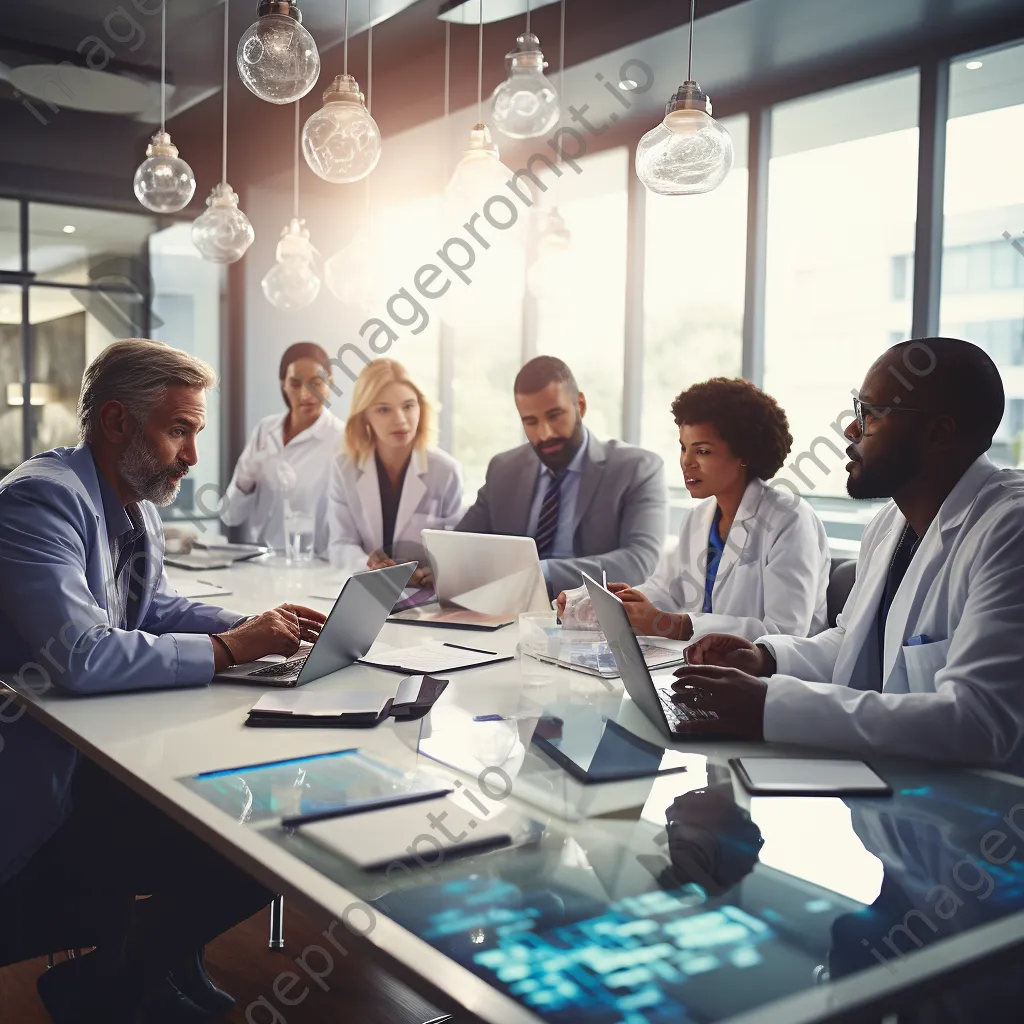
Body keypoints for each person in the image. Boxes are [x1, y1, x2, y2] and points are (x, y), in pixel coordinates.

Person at [0, 339, 327, 1022]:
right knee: (247, 836)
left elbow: (156, 608)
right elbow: (83, 655)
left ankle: (137, 972)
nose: (193, 456)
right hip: (42, 788)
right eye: (179, 430)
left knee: (253, 812)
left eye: (195, 432)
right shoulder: (37, 502)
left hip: (99, 761)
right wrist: (232, 647)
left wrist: (262, 625)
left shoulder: (133, 497)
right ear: (117, 421)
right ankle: (116, 981)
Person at [672, 338, 1024, 772]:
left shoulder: (1010, 529)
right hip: (886, 783)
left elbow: (977, 722)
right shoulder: (889, 523)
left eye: (870, 414)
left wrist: (770, 707)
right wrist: (764, 658)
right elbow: (851, 642)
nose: (851, 430)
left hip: (972, 810)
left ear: (938, 432)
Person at [556, 378, 830, 642]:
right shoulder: (698, 518)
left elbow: (786, 632)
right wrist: (609, 604)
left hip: (780, 681)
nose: (686, 462)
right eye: (683, 447)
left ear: (744, 454)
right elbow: (665, 591)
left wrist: (678, 625)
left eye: (702, 451)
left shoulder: (789, 519)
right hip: (705, 670)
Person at [456, 356, 666, 597]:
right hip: (506, 610)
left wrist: (540, 572)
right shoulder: (504, 469)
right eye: (530, 422)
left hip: (592, 618)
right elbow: (459, 547)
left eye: (554, 416)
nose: (544, 434)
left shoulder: (637, 468)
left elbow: (639, 562)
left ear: (581, 405)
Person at [327, 358, 463, 581]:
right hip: (366, 588)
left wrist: (436, 572)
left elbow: (457, 551)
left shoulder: (446, 471)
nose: (400, 420)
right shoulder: (344, 467)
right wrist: (369, 567)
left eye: (408, 406)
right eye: (383, 410)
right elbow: (340, 545)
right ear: (365, 417)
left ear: (421, 408)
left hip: (425, 595)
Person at [220, 341, 344, 555]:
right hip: (261, 563)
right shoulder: (265, 429)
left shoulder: (343, 440)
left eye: (316, 382)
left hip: (314, 565)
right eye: (295, 384)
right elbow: (230, 515)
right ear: (283, 386)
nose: (306, 393)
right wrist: (245, 481)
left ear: (330, 384)